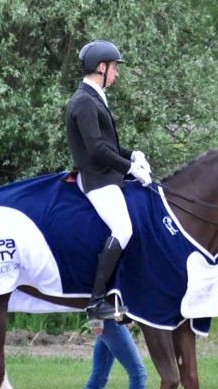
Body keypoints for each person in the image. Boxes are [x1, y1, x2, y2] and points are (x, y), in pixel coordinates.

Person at [65, 39, 153, 322]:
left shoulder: (94, 98)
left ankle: (121, 293)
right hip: (98, 180)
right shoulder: (83, 101)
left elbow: (109, 145)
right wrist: (130, 168)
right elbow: (96, 150)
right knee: (123, 229)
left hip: (107, 176)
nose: (116, 73)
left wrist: (133, 155)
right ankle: (96, 302)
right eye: (115, 68)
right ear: (101, 68)